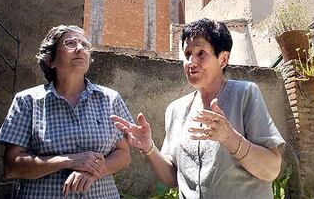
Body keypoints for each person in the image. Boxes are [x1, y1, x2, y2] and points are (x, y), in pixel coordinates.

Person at [111, 18, 285, 198]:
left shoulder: (245, 94)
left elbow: (271, 170)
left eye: (201, 53)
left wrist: (229, 138)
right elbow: (173, 178)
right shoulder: (176, 110)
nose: (191, 62)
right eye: (187, 54)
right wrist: (149, 148)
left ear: (223, 59)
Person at [0, 25, 133, 198]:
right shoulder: (27, 101)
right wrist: (68, 160)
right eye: (70, 43)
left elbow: (123, 154)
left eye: (84, 44)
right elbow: (12, 167)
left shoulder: (110, 99)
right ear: (50, 60)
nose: (80, 48)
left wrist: (91, 171)